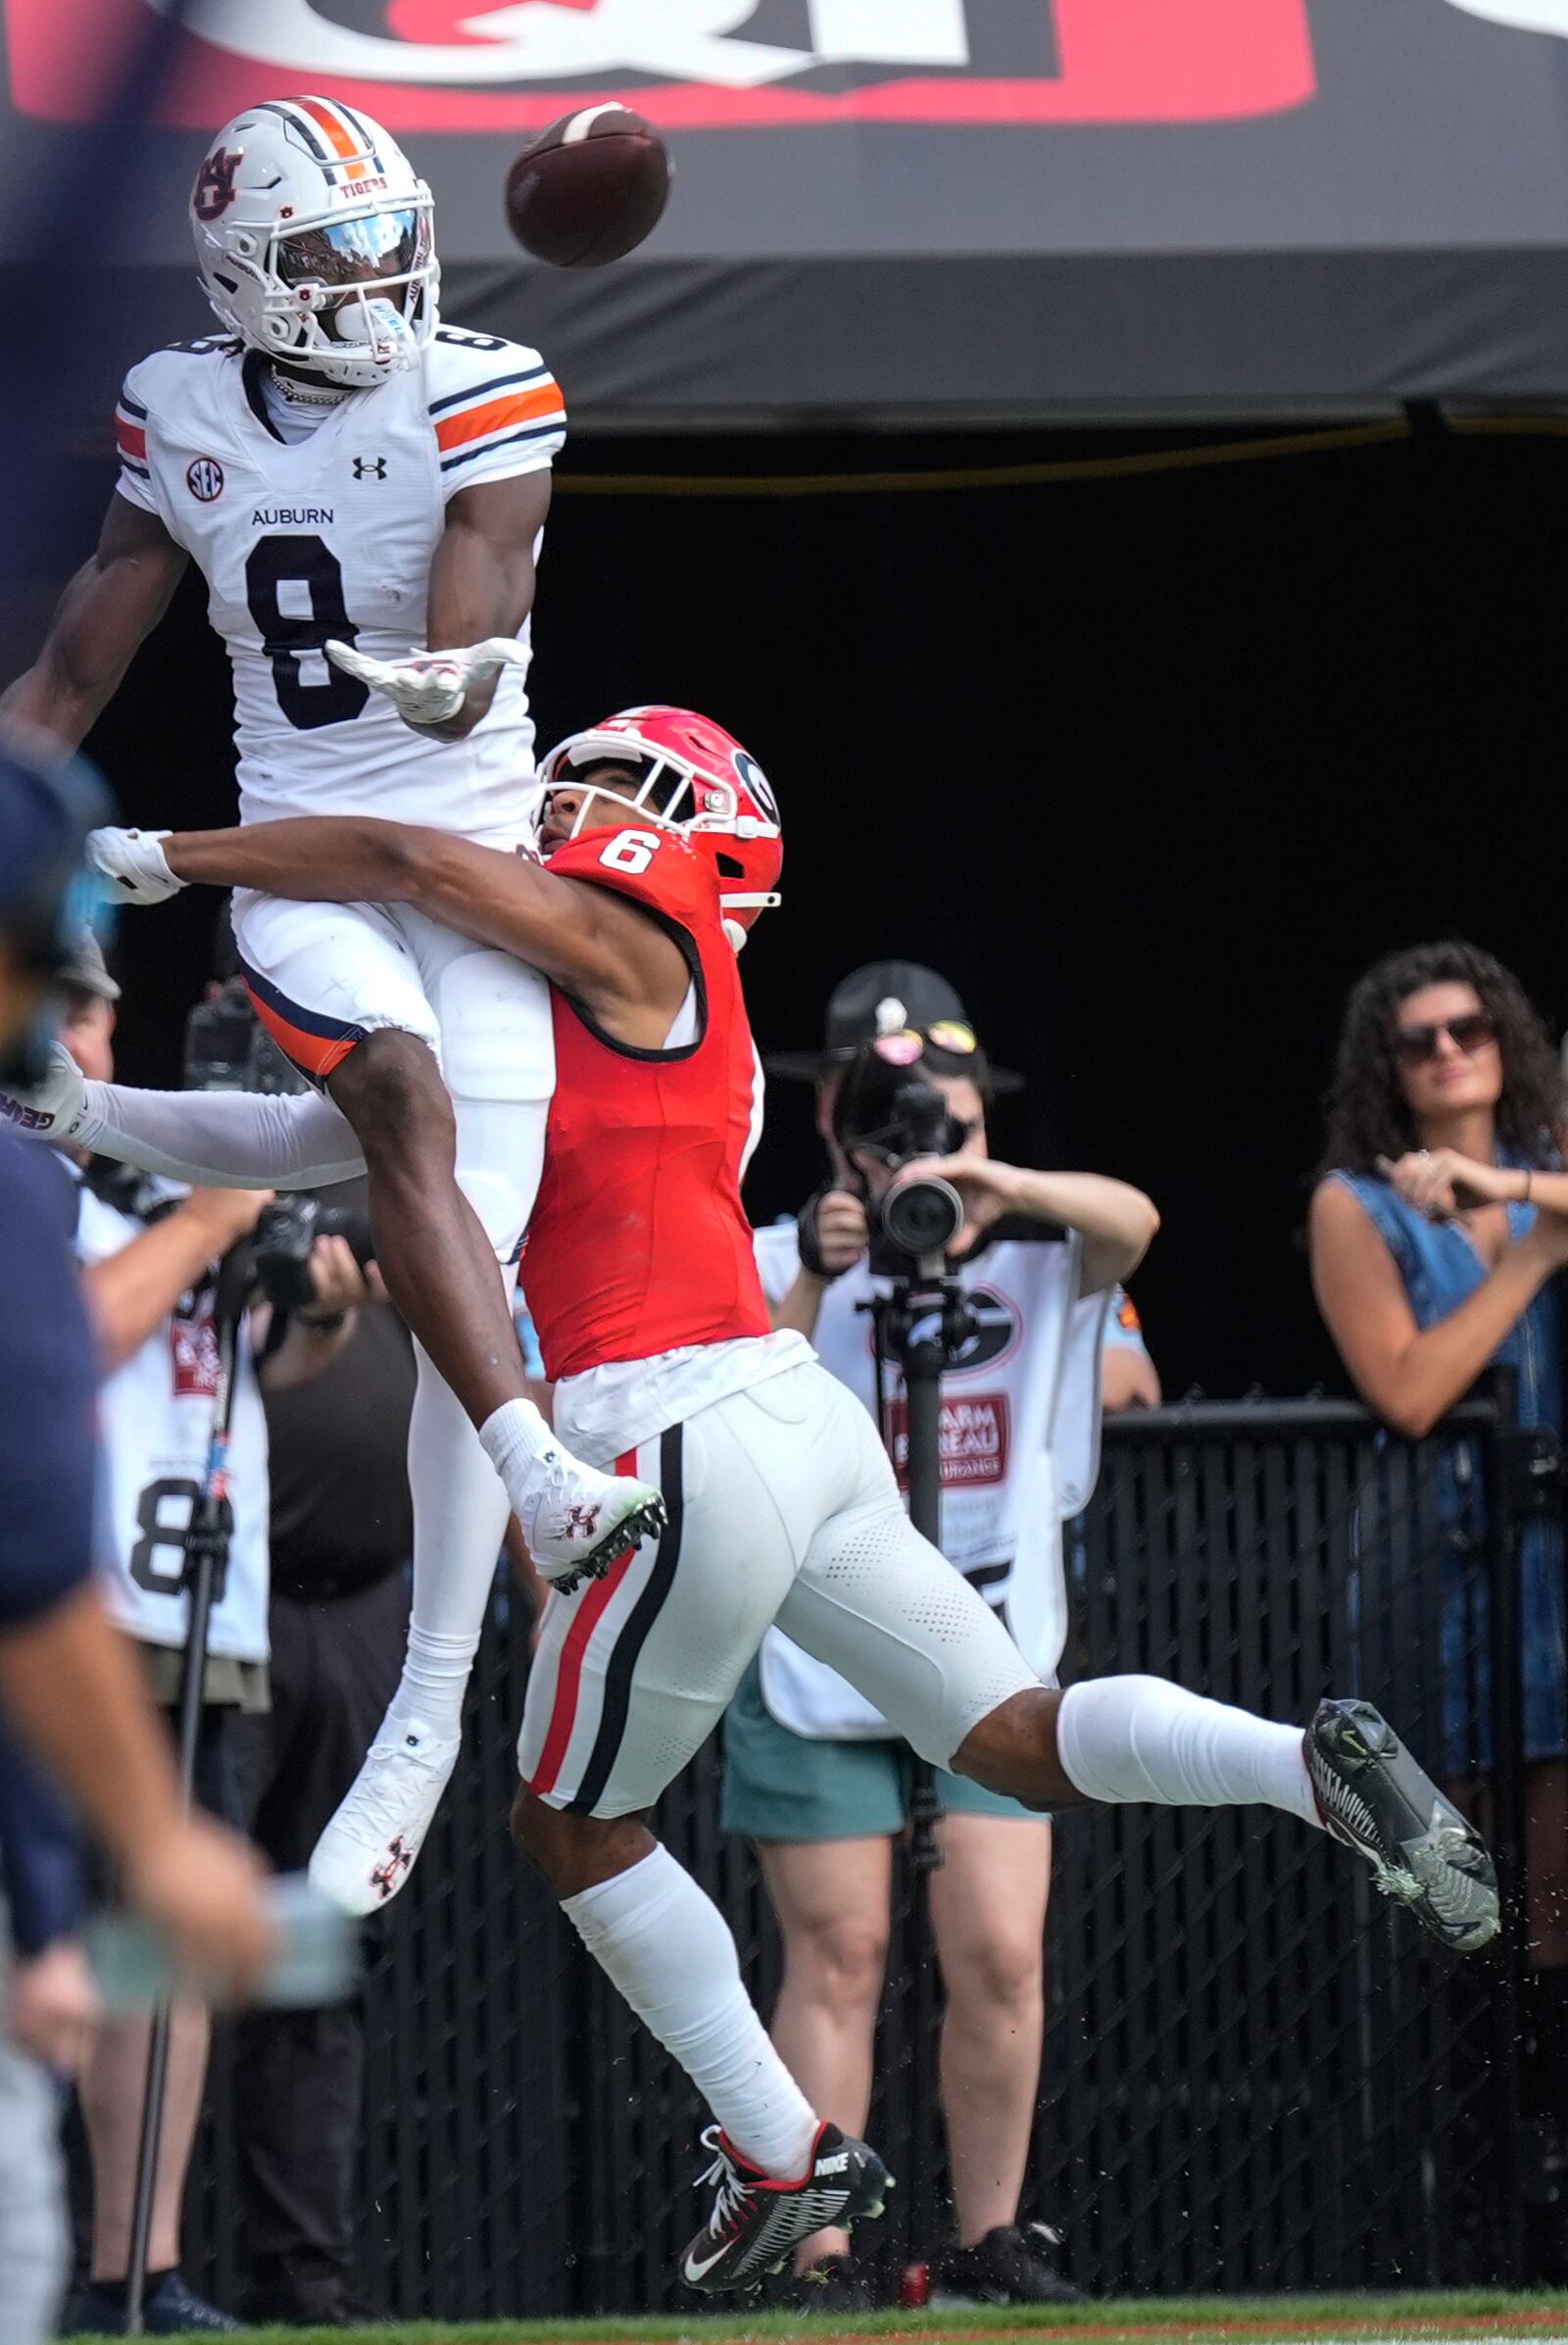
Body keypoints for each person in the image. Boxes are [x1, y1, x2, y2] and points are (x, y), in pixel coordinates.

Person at [17, 711, 1500, 2299]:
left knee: (571, 1822)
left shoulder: (633, 944)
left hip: (664, 1421)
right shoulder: (611, 992)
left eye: (583, 777)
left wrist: (154, 855)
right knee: (1011, 1729)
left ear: (671, 817)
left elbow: (401, 855)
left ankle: (784, 2146)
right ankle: (1304, 1767)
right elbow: (328, 1138)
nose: (549, 794)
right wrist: (94, 1114)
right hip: (794, 1417)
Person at [0, 92, 662, 1917]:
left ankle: (433, 1705)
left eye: (390, 245)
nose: (374, 284)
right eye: (330, 258)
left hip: (470, 860)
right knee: (397, 1104)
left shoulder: (485, 380)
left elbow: (475, 604)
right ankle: (534, 1471)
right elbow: (78, 651)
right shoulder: (185, 404)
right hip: (304, 858)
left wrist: (453, 681)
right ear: (240, 278)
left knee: (447, 1194)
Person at [722, 968, 1158, 2310]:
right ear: (831, 1124)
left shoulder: (1038, 1243)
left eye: (947, 1119)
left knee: (999, 1949)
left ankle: (994, 2237)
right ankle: (817, 2256)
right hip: (815, 1650)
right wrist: (813, 1255)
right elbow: (729, 1407)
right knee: (840, 1951)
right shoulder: (782, 1250)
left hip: (989, 1655)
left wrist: (1001, 1187)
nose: (922, 1148)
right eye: (891, 1123)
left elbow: (1136, 1222)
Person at [0, 742, 271, 2345]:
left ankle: (141, 2263)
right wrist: (206, 1219)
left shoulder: (128, 1178)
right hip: (81, 1635)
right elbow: (30, 1523)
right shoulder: (61, 1189)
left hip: (167, 1611)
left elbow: (290, 1371)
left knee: (126, 1963)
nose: (74, 1017)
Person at [1308, 937, 1568, 2272]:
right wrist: (1530, 1254)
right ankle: (1466, 2223)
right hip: (1447, 1568)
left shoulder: (1549, 1169)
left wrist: (1521, 1191)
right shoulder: (1361, 1204)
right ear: (1391, 1069)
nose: (1451, 1049)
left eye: (1471, 1025)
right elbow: (1409, 1390)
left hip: (1556, 1564)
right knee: (1465, 1895)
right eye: (1421, 1037)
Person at [230, 1178, 416, 2329]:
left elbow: (498, 1395)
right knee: (169, 1944)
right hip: (217, 1607)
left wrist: (539, 1588)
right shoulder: (201, 1171)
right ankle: (127, 2267)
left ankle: (300, 2281)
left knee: (319, 1950)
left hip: (365, 1612)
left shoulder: (408, 1172)